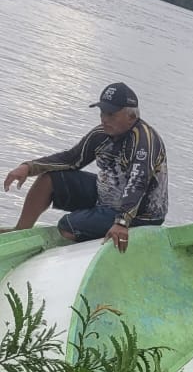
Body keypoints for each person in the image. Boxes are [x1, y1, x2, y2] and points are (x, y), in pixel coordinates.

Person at [2, 82, 167, 253]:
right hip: (106, 196)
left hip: (141, 213)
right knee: (49, 179)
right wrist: (28, 167)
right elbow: (71, 159)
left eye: (111, 114)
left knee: (68, 226)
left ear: (131, 117)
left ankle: (82, 251)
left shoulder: (145, 141)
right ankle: (20, 232)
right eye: (102, 112)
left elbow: (138, 183)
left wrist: (122, 222)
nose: (104, 118)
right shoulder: (101, 134)